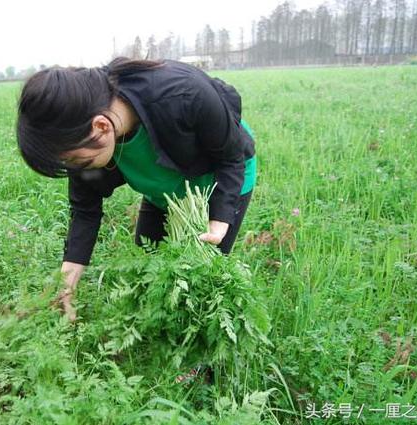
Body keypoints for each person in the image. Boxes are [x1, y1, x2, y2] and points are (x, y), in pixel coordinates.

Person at [16, 57, 256, 321]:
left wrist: (219, 221)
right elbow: (85, 209)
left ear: (101, 127)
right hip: (162, 185)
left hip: (218, 179)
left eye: (75, 161)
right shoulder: (82, 131)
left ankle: (201, 361)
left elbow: (231, 158)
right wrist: (67, 282)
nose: (75, 168)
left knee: (201, 279)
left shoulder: (182, 93)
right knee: (148, 257)